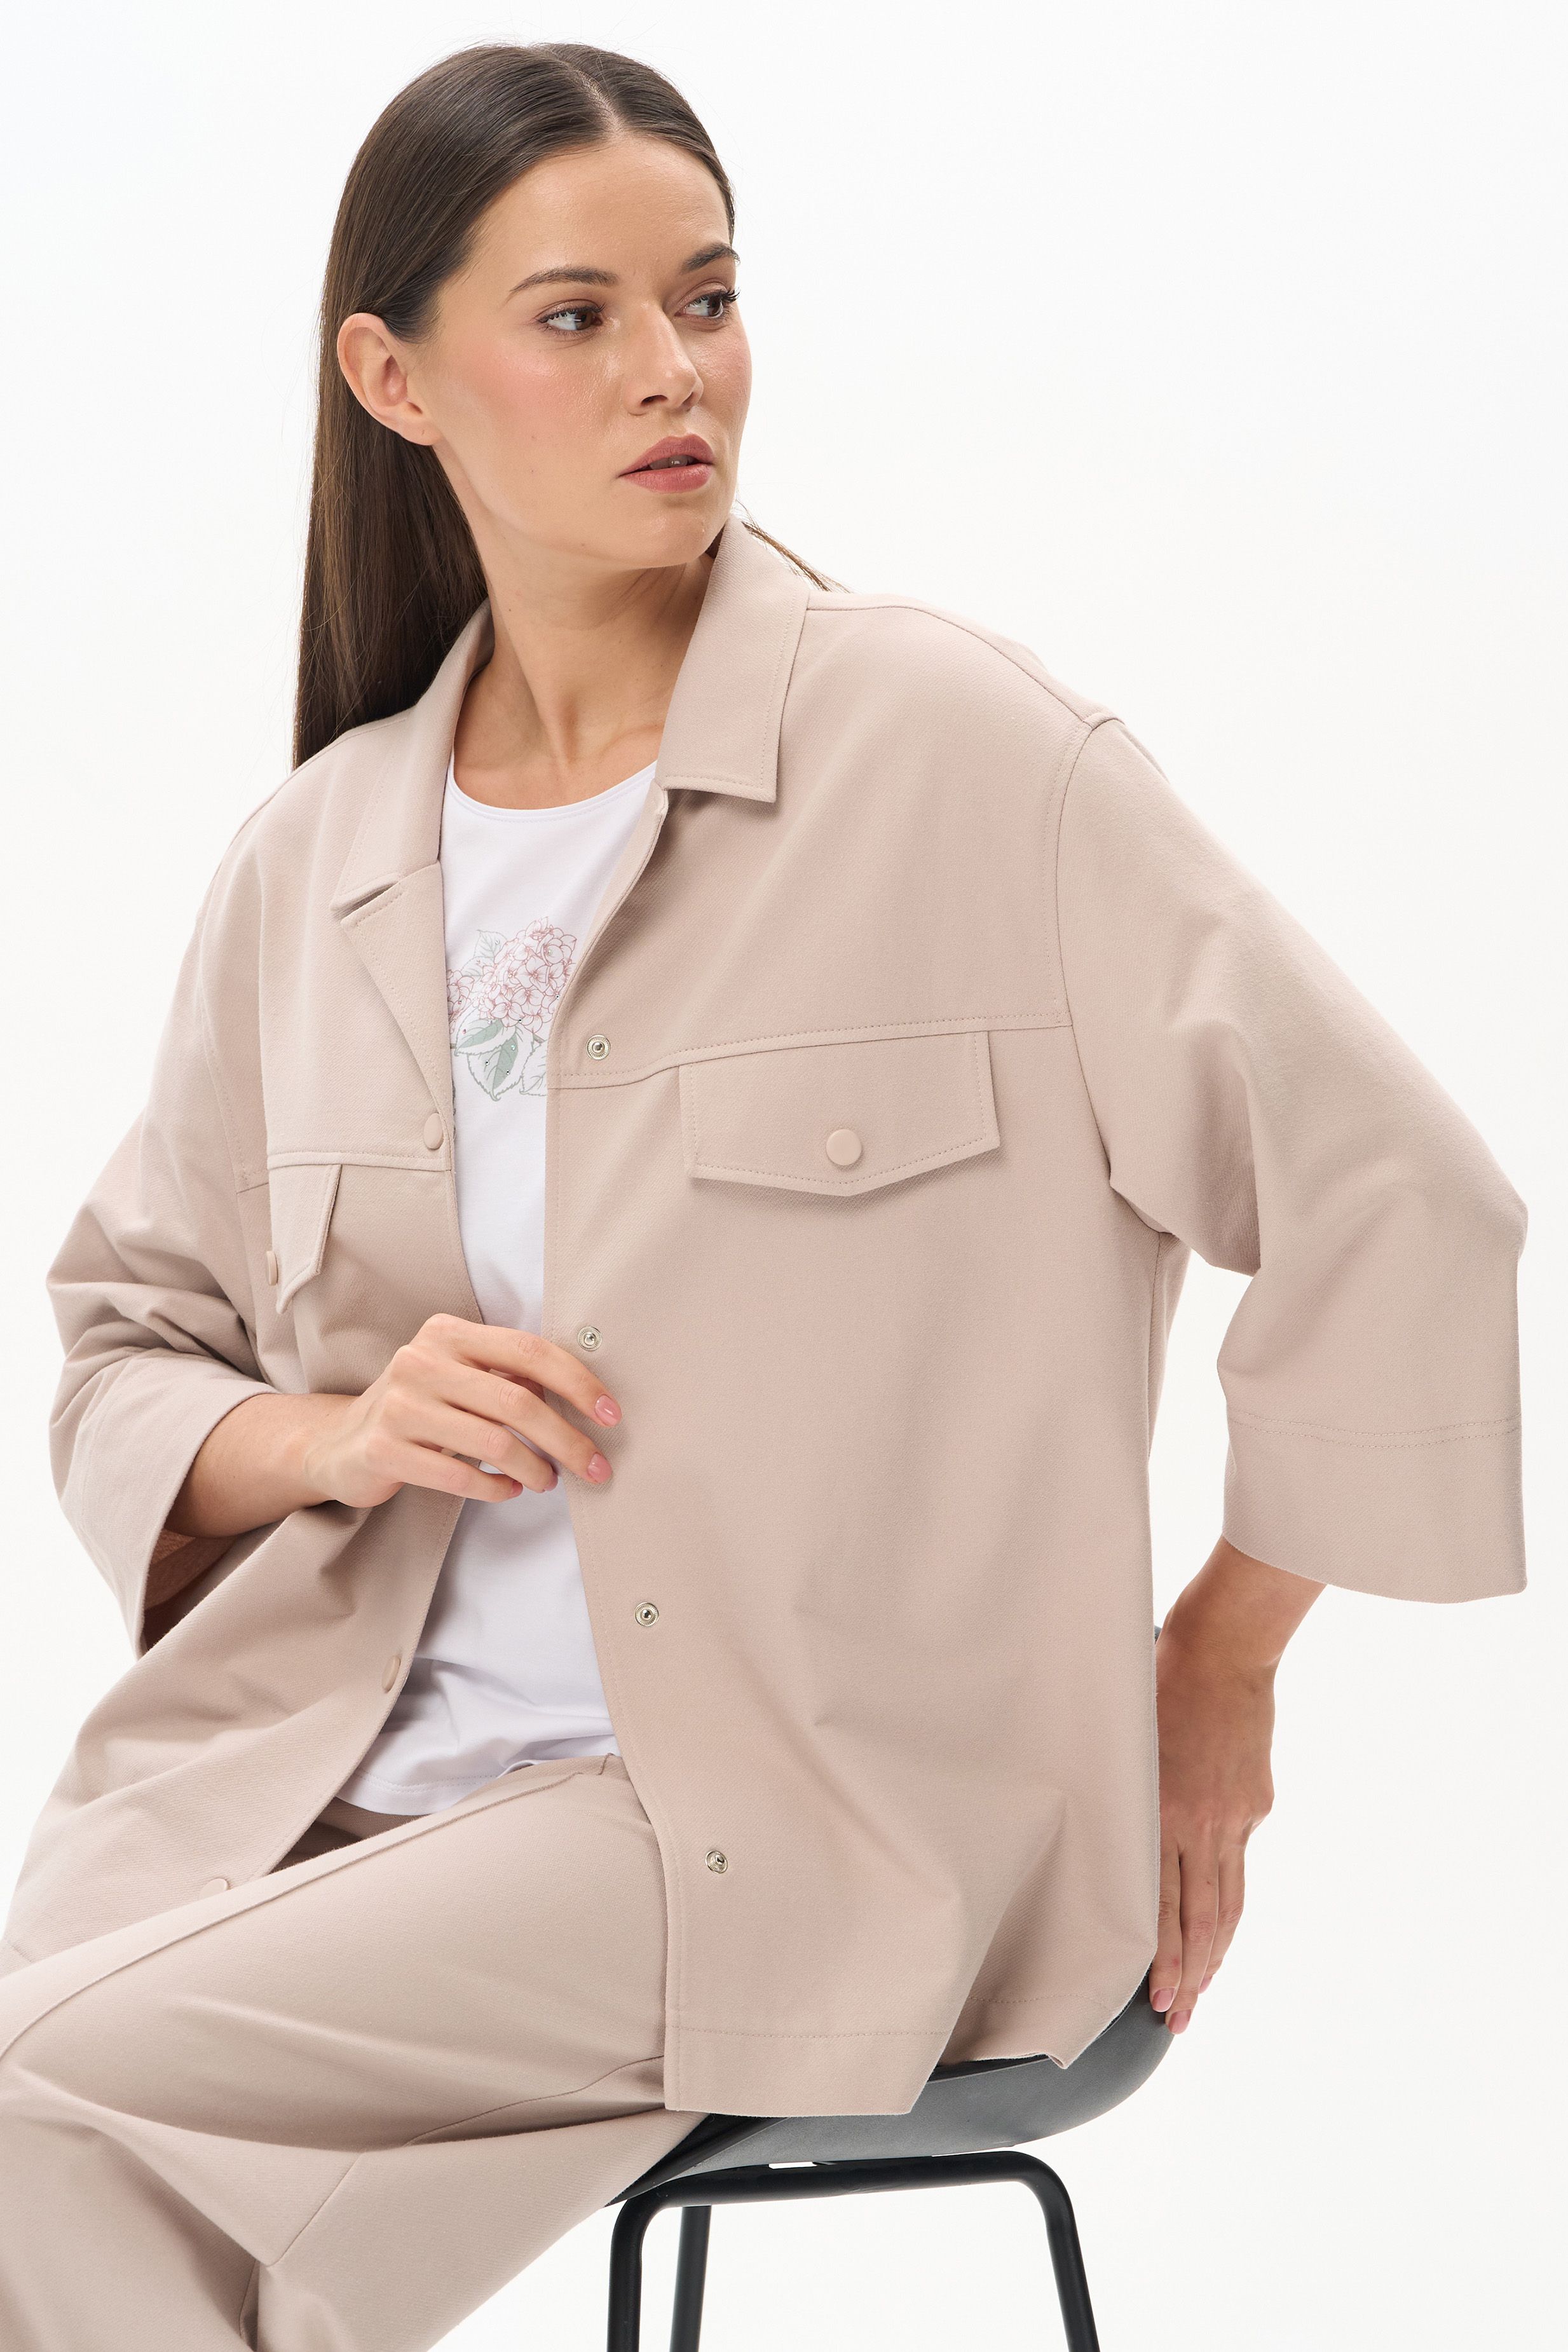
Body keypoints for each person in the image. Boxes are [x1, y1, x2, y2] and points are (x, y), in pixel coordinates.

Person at [0, 38, 1527, 2352]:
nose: (673, 371)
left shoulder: (955, 752)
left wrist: (1218, 1661)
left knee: (35, 2097)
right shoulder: (314, 861)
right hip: (320, 1792)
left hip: (796, 1818)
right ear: (393, 380)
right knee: (76, 2166)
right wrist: (333, 1432)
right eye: (579, 315)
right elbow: (126, 1342)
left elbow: (1403, 1197)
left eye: (705, 299)